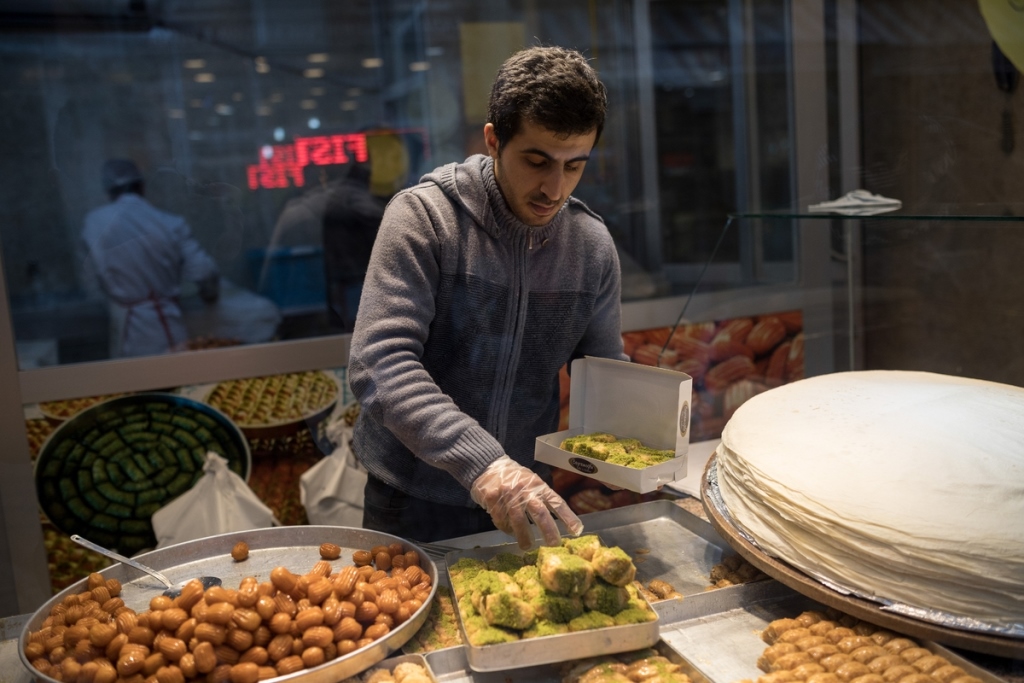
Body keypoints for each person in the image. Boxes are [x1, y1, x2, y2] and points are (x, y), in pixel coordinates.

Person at [347, 46, 629, 549]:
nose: (554, 188)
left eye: (574, 166)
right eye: (537, 161)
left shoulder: (591, 245)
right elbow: (380, 364)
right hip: (410, 498)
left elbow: (603, 369)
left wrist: (639, 433)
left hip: (523, 497)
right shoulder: (425, 220)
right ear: (494, 140)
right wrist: (484, 464)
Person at [82, 159, 220, 357]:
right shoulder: (169, 222)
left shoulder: (93, 223)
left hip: (125, 329)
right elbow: (204, 271)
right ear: (142, 186)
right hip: (169, 327)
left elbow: (91, 286)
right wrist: (210, 297)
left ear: (108, 191)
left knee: (134, 384)